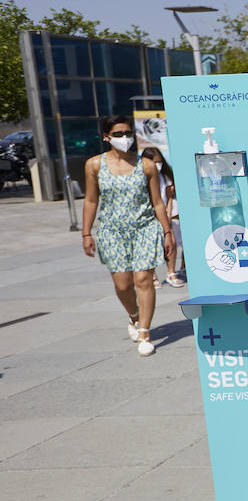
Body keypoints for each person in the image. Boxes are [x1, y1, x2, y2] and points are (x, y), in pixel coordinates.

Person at [82, 116, 175, 356]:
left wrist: (167, 231)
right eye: (118, 134)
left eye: (127, 133)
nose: (125, 138)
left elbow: (157, 202)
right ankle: (134, 316)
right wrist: (86, 233)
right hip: (112, 231)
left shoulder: (145, 165)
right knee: (122, 284)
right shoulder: (94, 165)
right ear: (106, 137)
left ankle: (145, 332)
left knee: (144, 279)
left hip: (144, 228)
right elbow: (91, 200)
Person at [141, 147, 185, 288]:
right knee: (152, 246)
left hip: (165, 214)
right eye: (154, 162)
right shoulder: (142, 178)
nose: (157, 165)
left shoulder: (165, 176)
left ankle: (171, 272)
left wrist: (168, 212)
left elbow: (167, 197)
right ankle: (152, 275)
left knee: (170, 242)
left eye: (159, 162)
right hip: (149, 216)